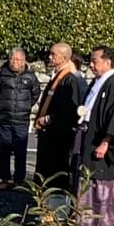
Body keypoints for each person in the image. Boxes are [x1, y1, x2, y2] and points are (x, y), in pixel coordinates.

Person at [74, 46, 114, 226]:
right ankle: (84, 222)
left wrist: (106, 141)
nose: (90, 65)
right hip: (88, 133)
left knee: (100, 179)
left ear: (107, 62)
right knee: (86, 175)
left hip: (101, 139)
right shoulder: (97, 82)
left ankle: (103, 225)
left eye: (94, 61)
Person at [32, 41, 85, 190]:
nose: (50, 57)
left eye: (53, 54)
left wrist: (49, 118)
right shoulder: (57, 77)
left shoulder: (69, 80)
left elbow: (70, 110)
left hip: (58, 135)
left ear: (64, 57)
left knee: (55, 173)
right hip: (48, 133)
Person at [0, 46, 40, 189]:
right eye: (12, 59)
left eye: (18, 59)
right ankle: (4, 179)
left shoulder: (30, 77)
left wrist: (25, 106)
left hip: (22, 120)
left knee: (20, 151)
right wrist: (2, 105)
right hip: (4, 119)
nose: (15, 62)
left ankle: (19, 180)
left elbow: (35, 94)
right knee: (4, 150)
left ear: (24, 60)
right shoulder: (1, 75)